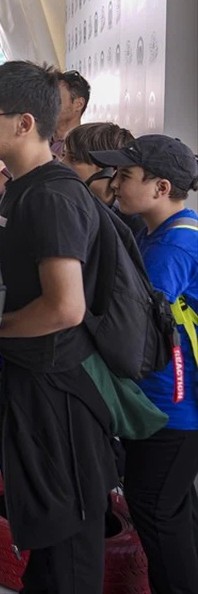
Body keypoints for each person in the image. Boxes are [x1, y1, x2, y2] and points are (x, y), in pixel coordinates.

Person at [0, 61, 117, 594]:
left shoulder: (51, 195)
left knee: (68, 550)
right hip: (33, 384)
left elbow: (64, 308)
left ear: (25, 122)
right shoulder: (22, 189)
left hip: (60, 397)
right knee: (45, 549)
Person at [96, 135, 198, 594]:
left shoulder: (172, 247)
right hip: (167, 403)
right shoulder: (159, 230)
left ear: (161, 188)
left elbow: (131, 322)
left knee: (156, 511)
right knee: (173, 509)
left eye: (125, 176)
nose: (115, 183)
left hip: (174, 409)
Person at [60, 121, 136, 207]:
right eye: (63, 155)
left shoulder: (128, 217)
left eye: (74, 159)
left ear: (109, 171)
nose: (61, 163)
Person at [50, 69, 90, 159]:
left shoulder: (86, 147)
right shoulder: (40, 139)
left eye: (56, 99)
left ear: (78, 104)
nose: (49, 104)